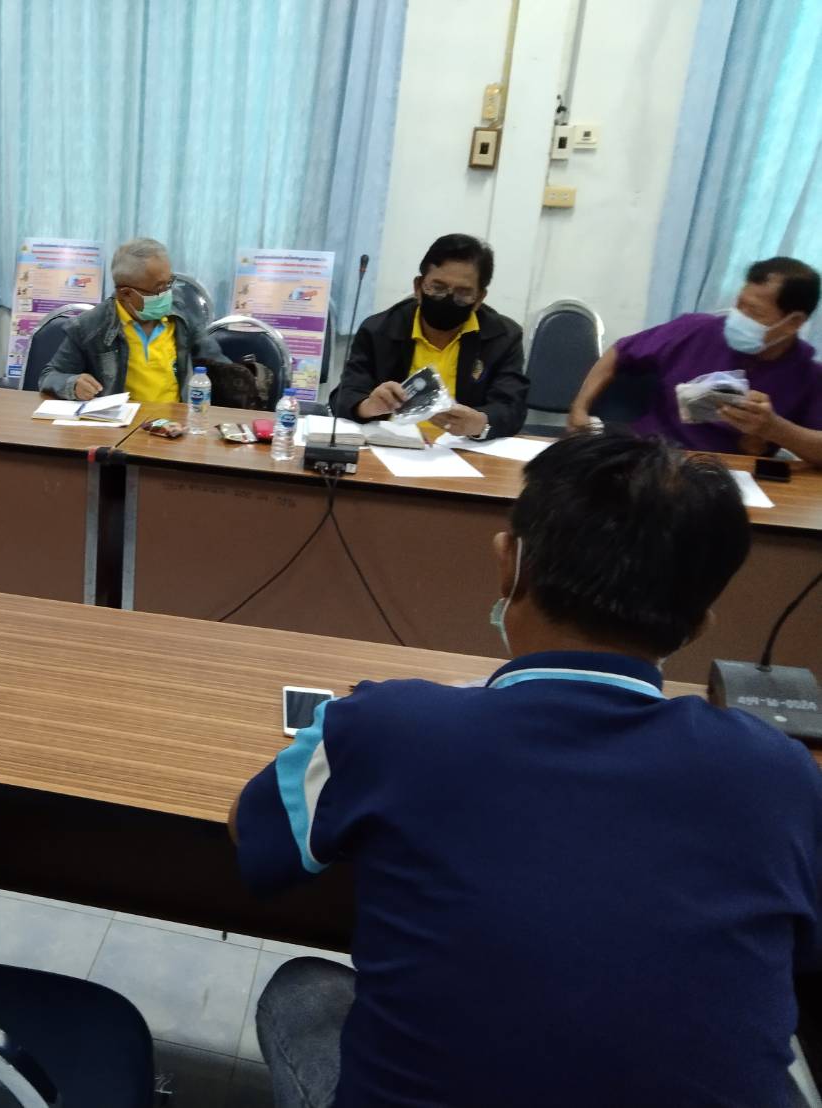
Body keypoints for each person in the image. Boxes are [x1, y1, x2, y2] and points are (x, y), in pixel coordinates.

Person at [234, 431, 821, 1108]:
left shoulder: (383, 726)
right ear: (700, 623)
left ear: (509, 565)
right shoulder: (782, 775)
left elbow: (255, 845)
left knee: (304, 992)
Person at [568, 257, 822, 464]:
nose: (739, 317)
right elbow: (619, 352)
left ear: (794, 322)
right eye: (740, 305)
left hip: (726, 474)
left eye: (754, 312)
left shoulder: (806, 373)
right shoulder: (695, 330)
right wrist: (579, 408)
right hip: (649, 455)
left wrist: (774, 428)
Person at [332, 234, 529, 440]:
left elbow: (512, 408)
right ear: (418, 287)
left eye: (463, 293)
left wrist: (480, 422)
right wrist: (367, 406)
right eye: (437, 288)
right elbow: (344, 395)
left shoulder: (503, 337)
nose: (448, 299)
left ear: (479, 298)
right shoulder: (378, 330)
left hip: (463, 448)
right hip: (391, 445)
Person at [38, 238, 245, 405]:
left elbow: (220, 367)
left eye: (169, 283)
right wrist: (72, 384)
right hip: (120, 429)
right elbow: (49, 376)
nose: (168, 293)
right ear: (126, 293)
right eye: (159, 288)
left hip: (176, 425)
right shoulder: (90, 327)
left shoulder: (181, 314)